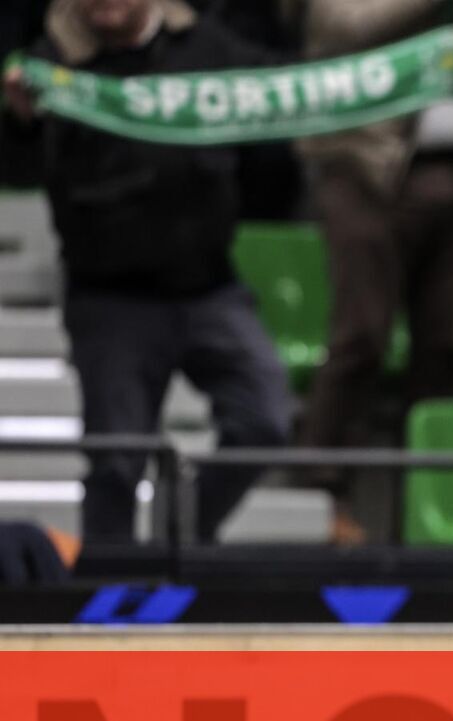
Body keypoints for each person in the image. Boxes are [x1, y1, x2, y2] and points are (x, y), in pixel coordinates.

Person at [2, 0, 291, 544]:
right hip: (110, 299)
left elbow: (293, 93)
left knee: (264, 420)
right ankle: (106, 587)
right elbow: (19, 171)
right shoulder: (54, 65)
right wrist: (20, 123)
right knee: (115, 465)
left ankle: (179, 537)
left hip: (209, 288)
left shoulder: (207, 48)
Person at [297, 0, 453, 543]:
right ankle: (322, 497)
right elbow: (341, 26)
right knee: (362, 337)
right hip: (365, 167)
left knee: (449, 346)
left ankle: (428, 502)